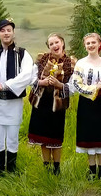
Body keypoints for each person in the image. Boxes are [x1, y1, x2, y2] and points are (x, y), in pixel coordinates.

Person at [54, 33, 101, 179]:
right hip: (86, 104)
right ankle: (92, 170)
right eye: (88, 43)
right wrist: (94, 89)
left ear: (99, 44)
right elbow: (77, 83)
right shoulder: (81, 63)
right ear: (85, 46)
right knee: (89, 135)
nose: (90, 45)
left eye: (93, 42)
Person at [0, 18, 33, 178]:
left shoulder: (22, 54)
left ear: (13, 33)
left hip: (14, 102)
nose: (6, 33)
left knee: (12, 136)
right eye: (3, 30)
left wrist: (6, 85)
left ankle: (11, 170)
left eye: (9, 30)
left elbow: (27, 74)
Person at [28, 33, 76, 175]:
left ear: (62, 43)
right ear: (48, 47)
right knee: (43, 137)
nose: (54, 46)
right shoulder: (42, 59)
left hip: (58, 105)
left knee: (55, 137)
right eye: (51, 44)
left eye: (56, 42)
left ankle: (56, 168)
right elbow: (31, 79)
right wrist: (41, 82)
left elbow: (73, 86)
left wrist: (59, 84)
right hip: (41, 102)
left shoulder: (71, 62)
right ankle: (46, 166)